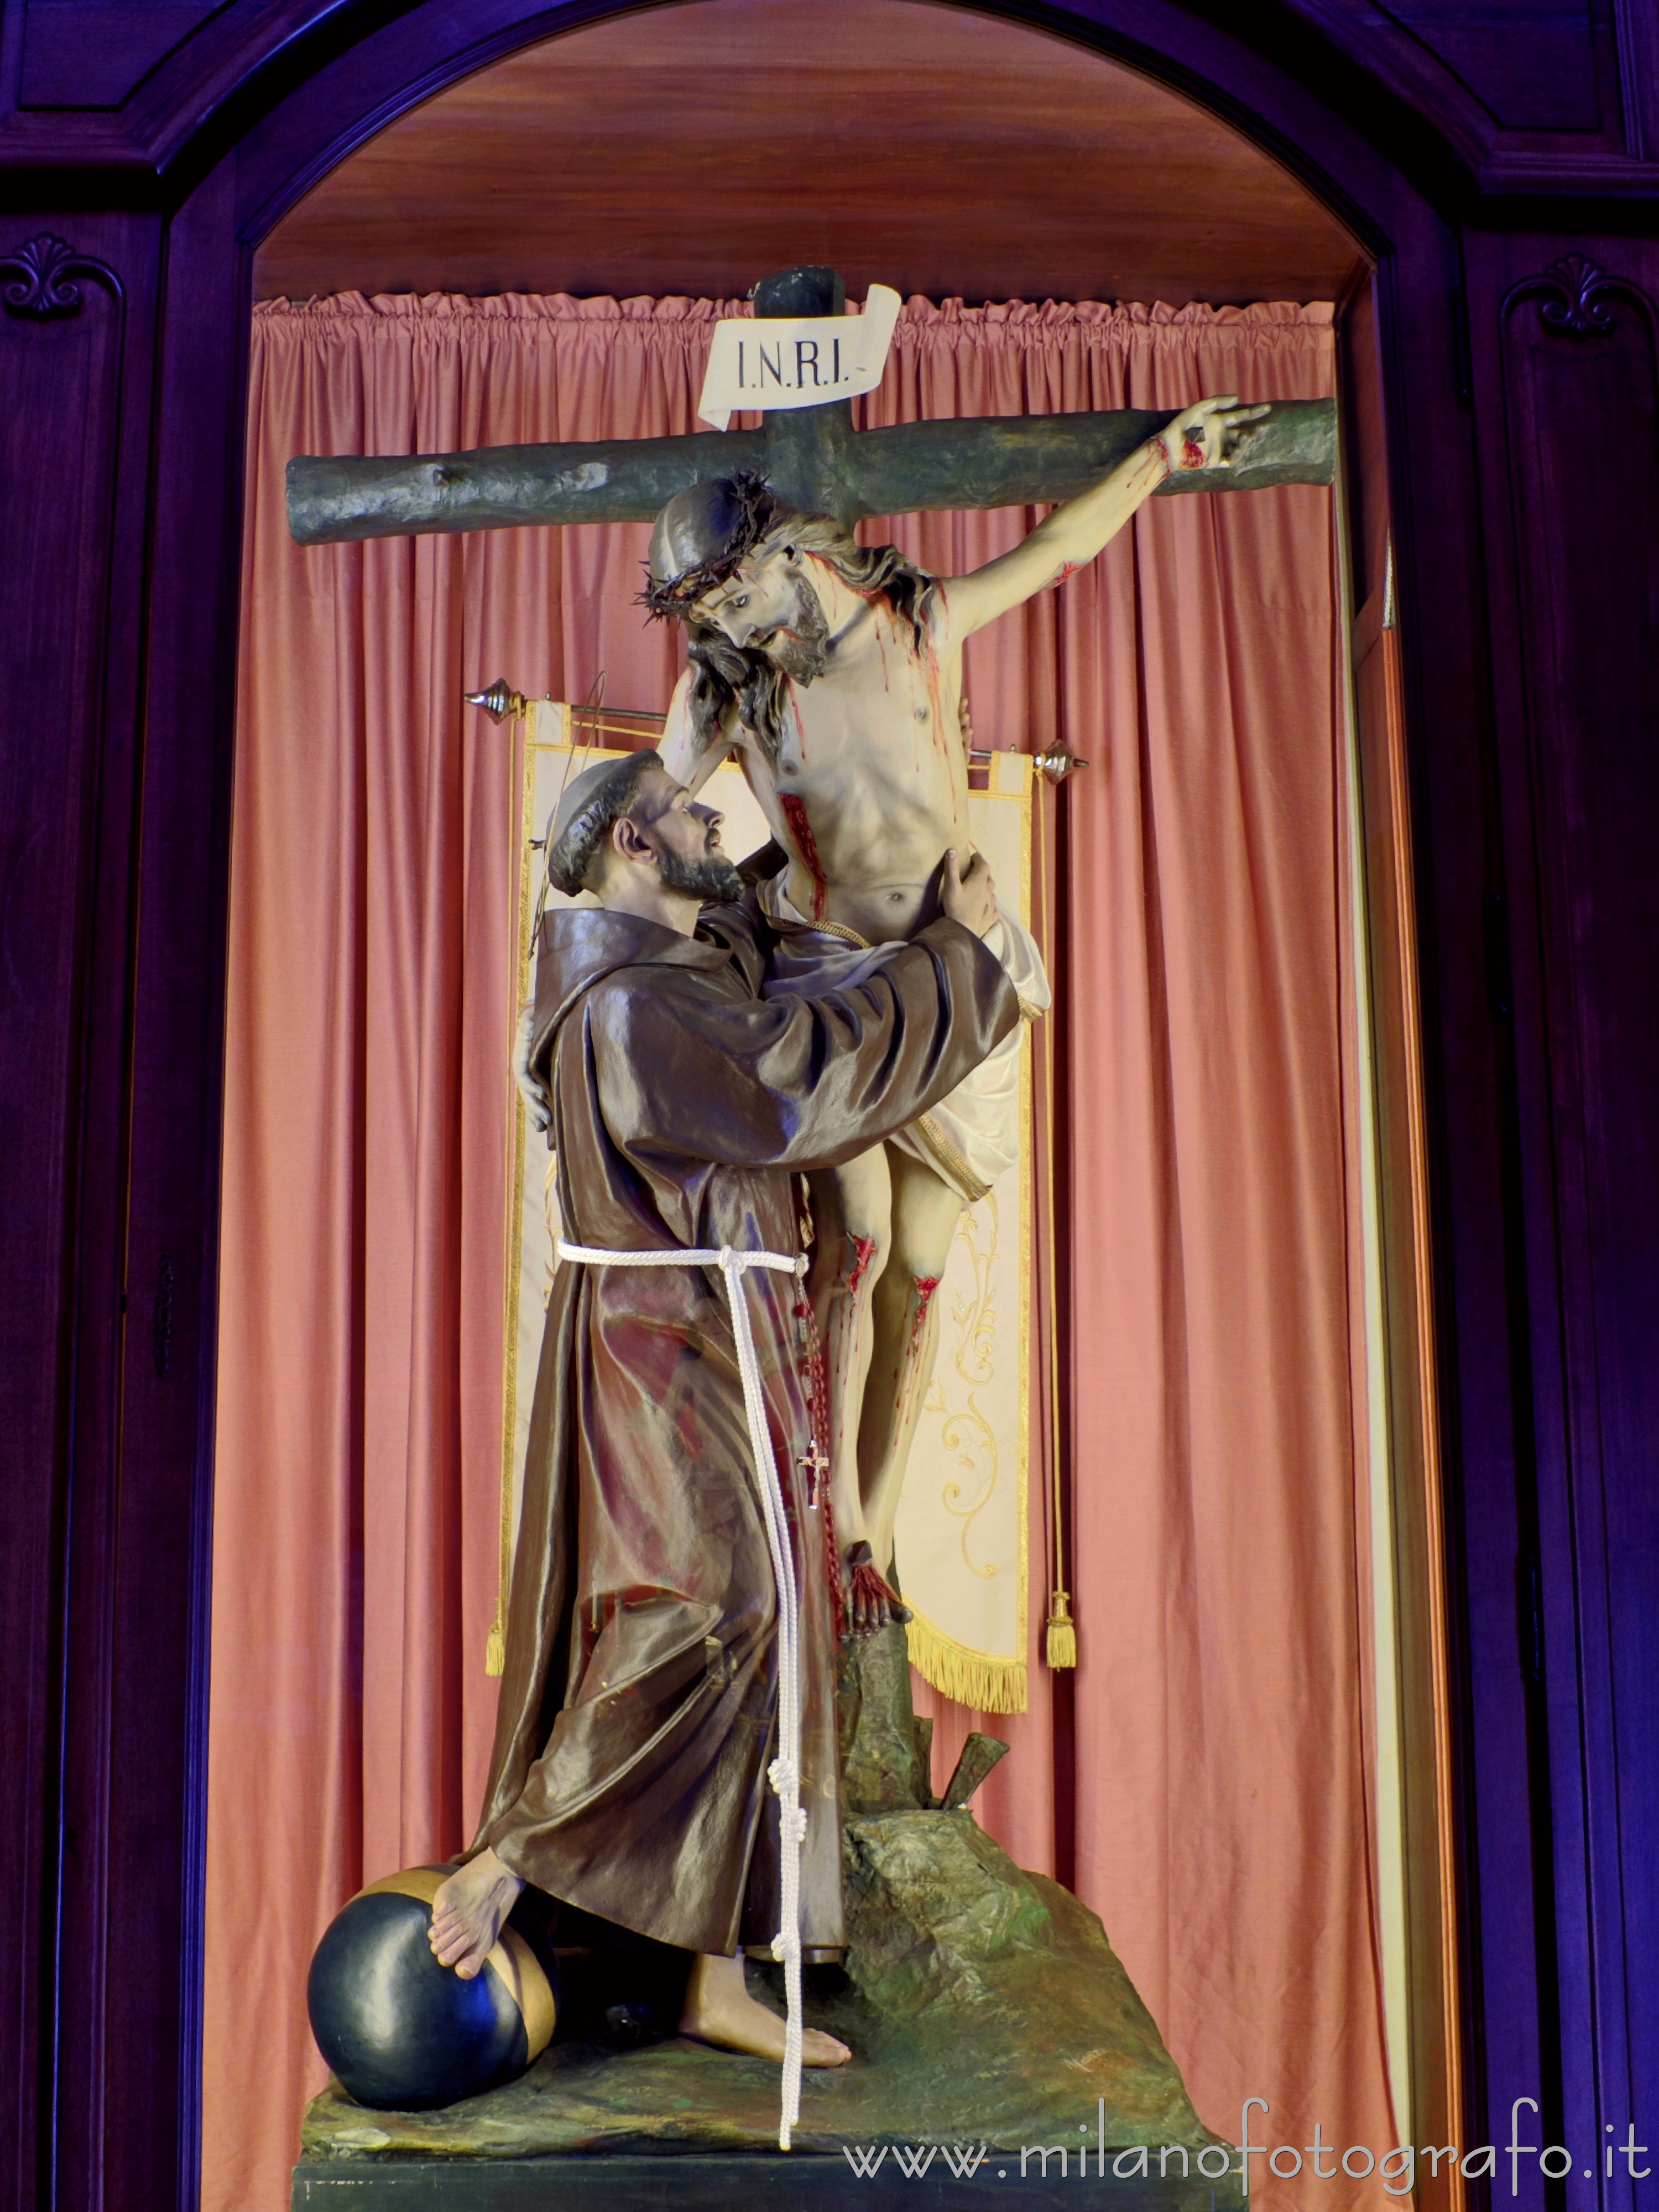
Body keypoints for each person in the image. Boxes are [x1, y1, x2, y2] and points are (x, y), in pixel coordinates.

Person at [429, 750, 1015, 2096]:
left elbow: (774, 973)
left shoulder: (663, 977)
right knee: (710, 1610)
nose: (721, 829)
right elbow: (797, 1083)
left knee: (764, 1622)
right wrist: (962, 967)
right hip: (669, 1344)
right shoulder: (634, 1007)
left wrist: (929, 939)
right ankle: (518, 1850)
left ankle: (718, 1975)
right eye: (694, 817)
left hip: (705, 1329)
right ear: (635, 841)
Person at [649, 394, 1267, 1619]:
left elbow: (1056, 551)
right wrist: (702, 672)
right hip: (833, 976)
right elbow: (660, 790)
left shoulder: (921, 621)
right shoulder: (739, 692)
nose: (721, 623)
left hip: (959, 966)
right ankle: (842, 1526)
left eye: (727, 596)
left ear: (781, 556)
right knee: (861, 1233)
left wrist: (1163, 455)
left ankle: (881, 1528)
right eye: (699, 611)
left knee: (919, 1266)